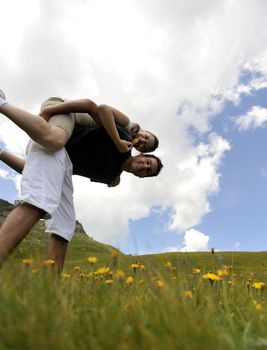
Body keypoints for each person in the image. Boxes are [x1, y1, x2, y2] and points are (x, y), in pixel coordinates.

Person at [0, 94, 163, 273]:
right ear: (140, 155)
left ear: (140, 177)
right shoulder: (122, 134)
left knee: (65, 226)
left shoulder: (111, 178)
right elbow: (92, 106)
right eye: (147, 162)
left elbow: (28, 169)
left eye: (147, 171)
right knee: (39, 198)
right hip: (63, 117)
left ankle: (50, 289)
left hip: (62, 160)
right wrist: (118, 141)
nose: (144, 166)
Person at [0, 91, 159, 155]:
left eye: (144, 144)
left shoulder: (124, 145)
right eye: (147, 137)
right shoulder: (127, 125)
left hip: (66, 122)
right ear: (146, 131)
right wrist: (117, 141)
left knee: (31, 168)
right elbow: (100, 108)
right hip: (63, 109)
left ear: (141, 151)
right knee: (55, 141)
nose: (143, 140)